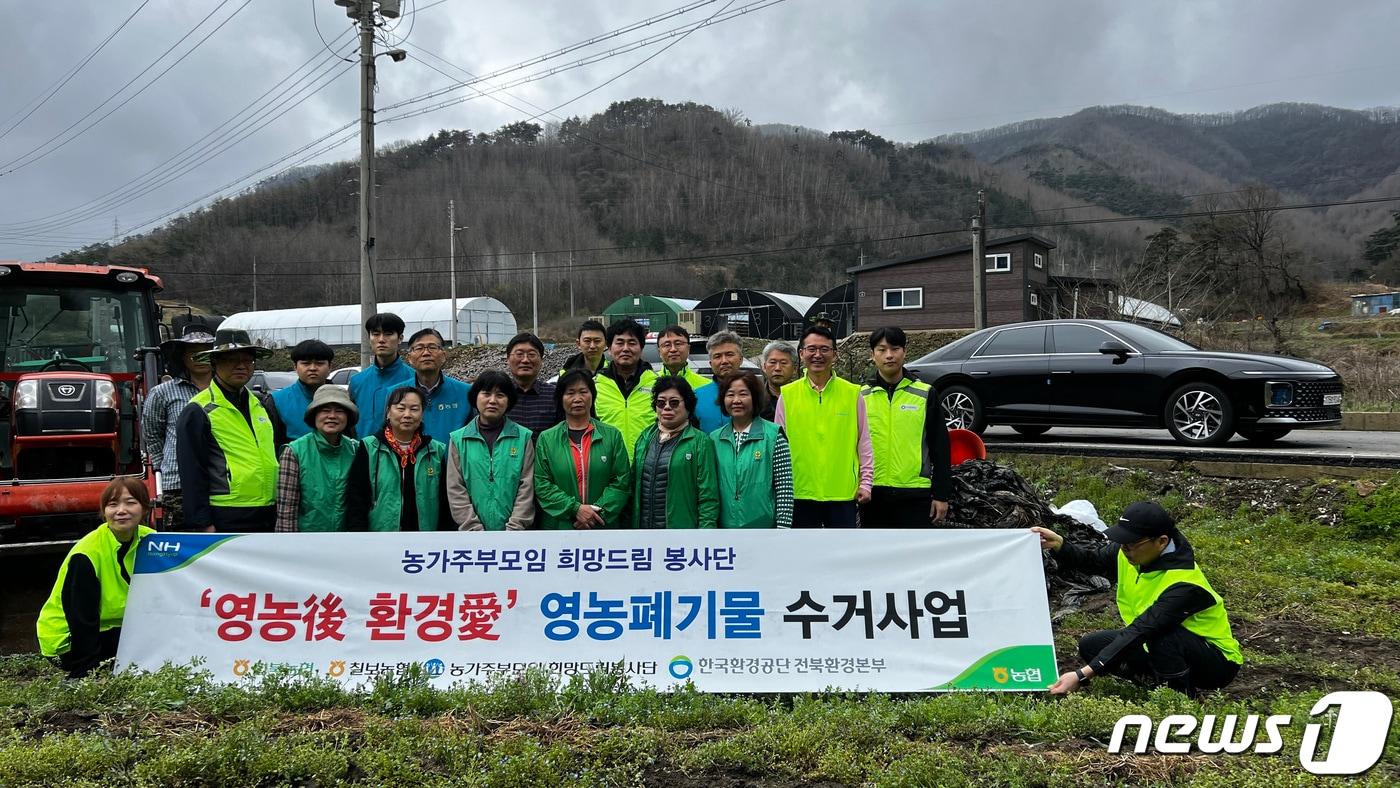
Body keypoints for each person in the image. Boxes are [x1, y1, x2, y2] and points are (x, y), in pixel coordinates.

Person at [1033, 501, 1242, 698]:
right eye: (1121, 542)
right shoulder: (1129, 553)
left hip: (1215, 663)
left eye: (1131, 544)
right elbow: (1093, 560)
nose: (1124, 548)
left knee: (1162, 636)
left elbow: (1141, 630)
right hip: (1152, 640)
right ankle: (1156, 681)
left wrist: (1082, 675)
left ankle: (1181, 697)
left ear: (1161, 542)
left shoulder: (1185, 584)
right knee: (1092, 645)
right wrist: (1059, 544)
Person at [36, 478, 155, 678]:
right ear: (104, 511)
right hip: (68, 640)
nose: (121, 510)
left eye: (130, 502)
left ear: (144, 508)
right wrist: (85, 673)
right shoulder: (87, 553)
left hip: (113, 628)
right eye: (113, 504)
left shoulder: (152, 540)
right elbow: (81, 618)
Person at [176, 329, 279, 533]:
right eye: (231, 360)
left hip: (268, 509)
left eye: (247, 360)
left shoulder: (260, 405)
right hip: (226, 513)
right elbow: (192, 471)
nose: (241, 366)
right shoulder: (198, 410)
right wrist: (202, 522)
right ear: (214, 364)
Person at [775, 326, 873, 528]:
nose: (817, 355)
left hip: (843, 493)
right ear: (801, 354)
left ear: (835, 355)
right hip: (800, 493)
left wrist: (866, 483)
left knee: (842, 556)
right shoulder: (788, 395)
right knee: (803, 557)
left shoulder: (853, 393)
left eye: (824, 349)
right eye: (811, 349)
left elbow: (864, 442)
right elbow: (779, 448)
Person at [860, 327, 952, 527]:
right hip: (872, 493)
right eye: (881, 350)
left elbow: (940, 447)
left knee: (915, 557)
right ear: (872, 354)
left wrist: (941, 495)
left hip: (915, 493)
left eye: (895, 349)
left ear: (905, 352)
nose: (889, 355)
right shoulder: (860, 396)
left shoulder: (925, 393)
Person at [533, 370, 631, 530]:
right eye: (570, 393)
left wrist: (595, 514)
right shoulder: (547, 439)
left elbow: (621, 481)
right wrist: (575, 509)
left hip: (603, 526)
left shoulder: (612, 435)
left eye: (583, 392)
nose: (577, 399)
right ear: (560, 398)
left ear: (592, 395)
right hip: (561, 527)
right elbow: (542, 483)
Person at [345, 387, 452, 531]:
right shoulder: (369, 447)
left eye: (414, 409)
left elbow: (445, 503)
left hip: (424, 540)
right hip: (381, 539)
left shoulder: (435, 450)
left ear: (422, 415)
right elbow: (356, 499)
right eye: (401, 408)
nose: (407, 415)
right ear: (388, 412)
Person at [141, 323, 215, 531]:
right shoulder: (162, 393)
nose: (199, 358)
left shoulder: (227, 391)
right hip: (177, 482)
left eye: (205, 353)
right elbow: (153, 435)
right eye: (193, 353)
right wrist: (165, 465)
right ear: (182, 357)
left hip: (221, 481)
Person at [447, 371, 536, 531]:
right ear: (475, 397)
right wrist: (473, 529)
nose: (492, 401)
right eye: (486, 394)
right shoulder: (459, 439)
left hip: (515, 535)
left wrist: (515, 527)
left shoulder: (523, 437)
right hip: (471, 536)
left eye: (500, 395)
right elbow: (455, 488)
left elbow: (527, 486)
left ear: (509, 401)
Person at [631, 377, 720, 529]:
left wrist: (706, 535)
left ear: (688, 405)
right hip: (643, 533)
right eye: (661, 402)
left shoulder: (701, 442)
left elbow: (708, 497)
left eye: (674, 402)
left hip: (682, 535)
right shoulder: (645, 437)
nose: (666, 408)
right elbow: (632, 487)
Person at [711, 371, 793, 528]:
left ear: (755, 397)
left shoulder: (773, 435)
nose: (736, 400)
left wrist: (783, 530)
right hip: (724, 530)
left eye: (743, 394)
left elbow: (784, 488)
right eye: (730, 395)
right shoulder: (714, 439)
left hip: (764, 529)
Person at [274, 386, 360, 532]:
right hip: (308, 541)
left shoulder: (356, 449)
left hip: (347, 540)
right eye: (325, 411)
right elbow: (286, 510)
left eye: (339, 411)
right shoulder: (294, 451)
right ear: (314, 415)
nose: (332, 416)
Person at [594, 319, 657, 460]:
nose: (626, 348)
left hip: (648, 466)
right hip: (608, 468)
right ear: (609, 348)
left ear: (641, 348)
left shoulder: (657, 385)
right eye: (620, 343)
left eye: (632, 343)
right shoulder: (595, 386)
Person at [349, 313, 414, 438]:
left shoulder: (413, 379)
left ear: (400, 338)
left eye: (388, 334)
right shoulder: (357, 381)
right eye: (376, 334)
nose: (381, 339)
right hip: (364, 453)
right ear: (369, 338)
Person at [405, 328, 472, 441]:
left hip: (453, 458)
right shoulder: (395, 393)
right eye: (419, 348)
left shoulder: (466, 392)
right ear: (409, 358)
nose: (426, 353)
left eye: (432, 347)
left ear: (444, 355)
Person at [266, 339, 335, 446]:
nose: (312, 368)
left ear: (330, 367)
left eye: (319, 363)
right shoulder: (277, 401)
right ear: (295, 367)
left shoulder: (344, 399)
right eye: (306, 363)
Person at [504, 332, 561, 434]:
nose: (525, 360)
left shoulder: (555, 395)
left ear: (541, 360)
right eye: (519, 354)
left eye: (532, 354)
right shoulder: (499, 395)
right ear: (508, 359)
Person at [692, 330, 744, 433]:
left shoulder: (755, 394)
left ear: (741, 359)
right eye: (717, 356)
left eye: (729, 354)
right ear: (710, 363)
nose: (724, 361)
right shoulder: (696, 397)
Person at [656, 325, 708, 390]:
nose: (673, 349)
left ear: (688, 349)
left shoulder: (706, 386)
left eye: (678, 344)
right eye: (667, 345)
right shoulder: (648, 384)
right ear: (659, 352)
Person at [759, 340, 799, 422]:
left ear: (794, 369)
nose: (777, 368)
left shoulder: (801, 396)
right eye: (773, 362)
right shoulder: (755, 397)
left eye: (783, 363)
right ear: (764, 367)